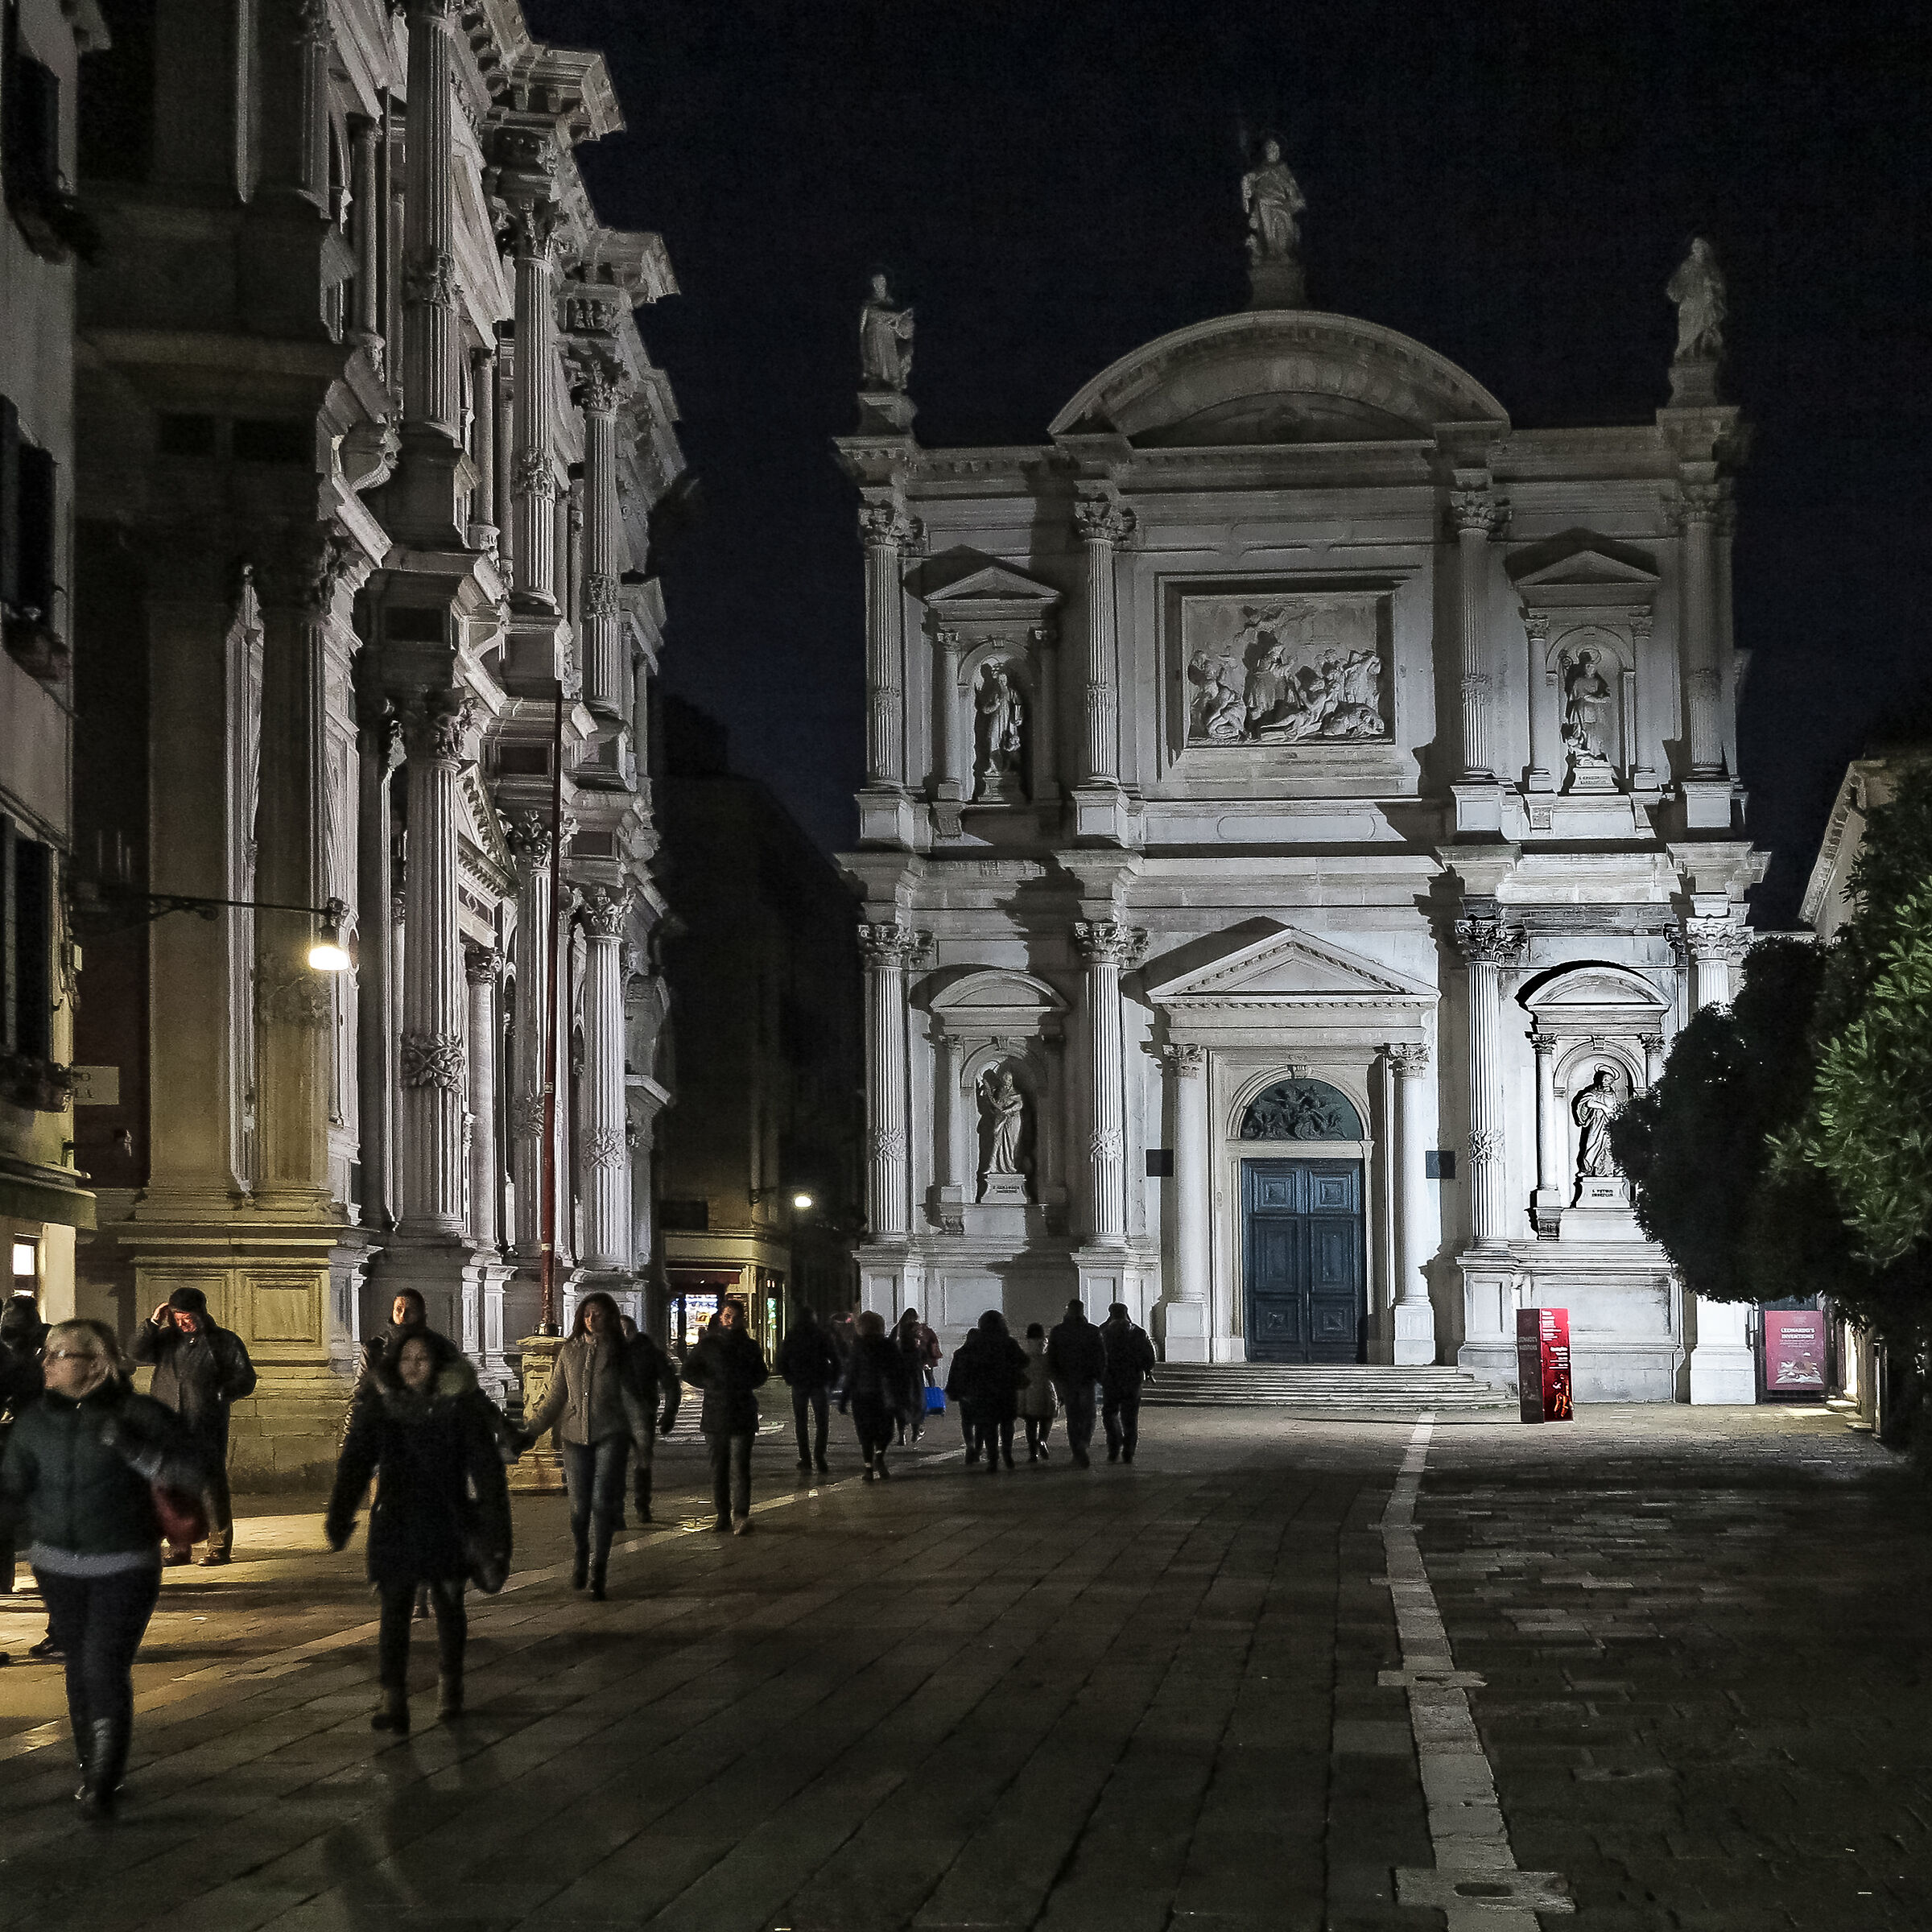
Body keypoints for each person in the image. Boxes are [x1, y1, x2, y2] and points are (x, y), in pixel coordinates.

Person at [0, 1319, 207, 1815]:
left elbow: (193, 1472)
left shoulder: (140, 1414)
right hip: (56, 1565)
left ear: (96, 1364)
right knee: (78, 1665)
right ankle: (90, 1764)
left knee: (102, 1664)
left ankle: (103, 1779)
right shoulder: (33, 1422)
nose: (46, 1363)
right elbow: (11, 1489)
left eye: (59, 1354)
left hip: (124, 1562)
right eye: (47, 1353)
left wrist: (135, 1451)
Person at [326, 1327, 511, 1734]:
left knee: (449, 1606)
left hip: (447, 1519)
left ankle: (450, 1686)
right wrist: (339, 1516)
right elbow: (355, 1462)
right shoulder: (382, 1405)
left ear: (437, 1365)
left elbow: (488, 1472)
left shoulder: (458, 1408)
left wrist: (496, 1533)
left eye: (422, 1359)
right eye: (407, 1359)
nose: (413, 1367)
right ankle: (392, 1698)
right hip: (395, 1518)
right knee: (394, 1609)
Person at [514, 1293, 649, 1599]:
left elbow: (632, 1401)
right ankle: (581, 1552)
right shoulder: (569, 1351)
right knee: (578, 1509)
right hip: (575, 1437)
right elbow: (555, 1397)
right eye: (587, 1314)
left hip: (610, 1435)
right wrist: (531, 1431)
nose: (591, 1319)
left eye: (598, 1314)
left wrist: (642, 1441)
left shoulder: (619, 1353)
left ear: (609, 1317)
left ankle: (599, 1568)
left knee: (601, 1504)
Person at [130, 1286, 257, 1566]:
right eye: (178, 1318)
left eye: (188, 1317)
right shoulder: (166, 1340)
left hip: (205, 1424)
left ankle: (219, 1546)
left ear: (200, 1313)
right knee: (171, 1487)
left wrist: (222, 1392)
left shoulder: (224, 1342)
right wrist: (152, 1323)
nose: (183, 1323)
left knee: (210, 1485)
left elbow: (246, 1378)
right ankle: (179, 1546)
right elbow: (137, 1352)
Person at [682, 1298, 769, 1534]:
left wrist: (744, 1383)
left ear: (742, 1321)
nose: (731, 1321)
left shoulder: (749, 1346)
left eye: (736, 1317)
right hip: (716, 1412)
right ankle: (722, 1515)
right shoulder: (708, 1345)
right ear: (721, 1317)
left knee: (741, 1466)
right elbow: (688, 1370)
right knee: (719, 1467)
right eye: (727, 1316)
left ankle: (741, 1515)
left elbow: (761, 1374)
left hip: (742, 1411)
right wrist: (710, 1383)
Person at [947, 1311, 1029, 1473]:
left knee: (989, 1427)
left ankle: (993, 1460)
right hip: (1006, 1391)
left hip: (983, 1392)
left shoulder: (976, 1344)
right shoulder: (1008, 1343)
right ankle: (1007, 1454)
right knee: (1007, 1425)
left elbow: (963, 1363)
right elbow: (1024, 1361)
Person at [621, 1319, 682, 1523]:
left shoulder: (649, 1353)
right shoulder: (608, 1353)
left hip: (641, 1414)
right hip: (614, 1416)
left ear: (634, 1331)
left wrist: (669, 1412)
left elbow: (670, 1384)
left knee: (643, 1460)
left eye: (627, 1330)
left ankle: (642, 1505)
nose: (623, 1334)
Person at [839, 1311, 909, 1480]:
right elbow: (900, 1372)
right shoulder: (889, 1346)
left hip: (862, 1396)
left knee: (865, 1433)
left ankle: (868, 1467)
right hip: (884, 1396)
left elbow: (851, 1375)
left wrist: (844, 1398)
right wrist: (903, 1394)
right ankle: (879, 1455)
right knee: (885, 1430)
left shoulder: (858, 1348)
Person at [775, 1304, 840, 1478]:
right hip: (819, 1381)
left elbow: (782, 1359)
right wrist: (832, 1380)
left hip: (799, 1382)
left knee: (801, 1422)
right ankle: (820, 1456)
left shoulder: (792, 1335)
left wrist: (789, 1377)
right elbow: (834, 1358)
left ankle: (805, 1458)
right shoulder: (821, 1334)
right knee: (822, 1421)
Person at [1046, 1298, 1107, 1468]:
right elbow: (1101, 1356)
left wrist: (1056, 1377)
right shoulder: (1092, 1330)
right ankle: (1083, 1444)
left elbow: (1051, 1356)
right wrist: (1099, 1375)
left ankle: (1077, 1450)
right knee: (1089, 1415)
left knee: (1073, 1417)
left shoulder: (1058, 1331)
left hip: (1067, 1379)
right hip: (1087, 1378)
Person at [1099, 1302, 1157, 1465]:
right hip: (1133, 1380)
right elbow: (1149, 1355)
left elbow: (1097, 1355)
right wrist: (1147, 1370)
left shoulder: (1103, 1332)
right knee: (1130, 1417)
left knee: (1109, 1413)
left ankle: (1114, 1443)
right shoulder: (1138, 1332)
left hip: (1111, 1379)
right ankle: (1129, 1451)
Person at [892, 1307, 938, 1444]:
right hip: (915, 1377)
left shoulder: (898, 1330)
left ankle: (902, 1436)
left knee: (901, 1405)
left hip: (900, 1377)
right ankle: (916, 1432)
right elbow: (925, 1354)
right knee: (917, 1404)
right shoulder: (917, 1333)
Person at [1018, 1321, 1057, 1463]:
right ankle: (1042, 1440)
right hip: (1046, 1390)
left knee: (1031, 1423)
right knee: (1047, 1418)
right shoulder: (1048, 1355)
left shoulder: (1024, 1355)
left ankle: (1033, 1453)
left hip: (1028, 1391)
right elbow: (1054, 1373)